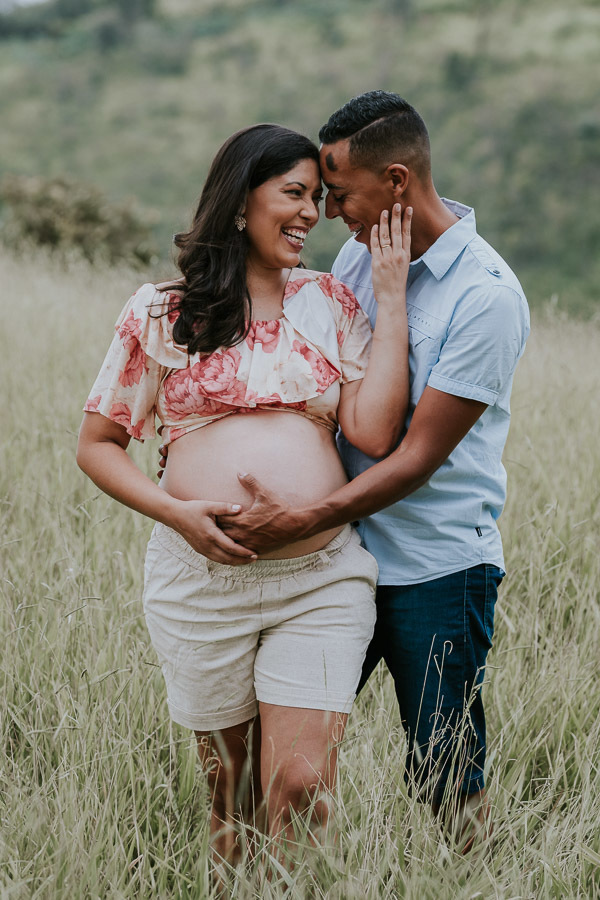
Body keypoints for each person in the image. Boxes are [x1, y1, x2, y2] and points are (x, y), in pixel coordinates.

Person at [76, 123, 413, 867]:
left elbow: (377, 432)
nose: (309, 214)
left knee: (299, 786)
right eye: (293, 193)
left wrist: (390, 300)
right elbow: (97, 446)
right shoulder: (161, 314)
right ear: (238, 203)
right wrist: (178, 515)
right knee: (229, 799)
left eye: (317, 198)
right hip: (201, 583)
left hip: (317, 582)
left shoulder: (328, 301)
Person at [216, 93, 530, 850]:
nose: (330, 216)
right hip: (336, 564)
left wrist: (299, 518)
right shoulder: (361, 253)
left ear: (396, 180)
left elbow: (415, 457)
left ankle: (476, 880)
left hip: (434, 570)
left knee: (443, 769)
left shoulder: (485, 298)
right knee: (283, 755)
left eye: (341, 194)